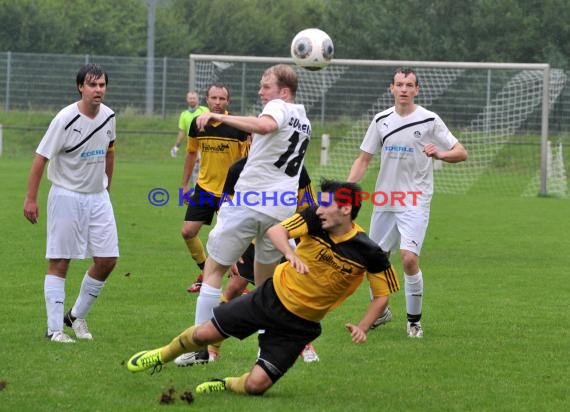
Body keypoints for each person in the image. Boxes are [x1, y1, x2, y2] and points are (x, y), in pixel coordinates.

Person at [127, 180, 400, 397]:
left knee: (255, 386)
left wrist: (363, 327)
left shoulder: (370, 252)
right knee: (205, 333)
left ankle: (226, 384)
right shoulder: (313, 220)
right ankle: (161, 355)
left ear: (346, 209)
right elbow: (276, 231)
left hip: (300, 326)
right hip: (271, 298)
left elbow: (381, 296)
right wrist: (289, 254)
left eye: (325, 205)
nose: (318, 209)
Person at [189, 64, 311, 358]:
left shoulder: (278, 107)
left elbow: (266, 126)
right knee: (266, 286)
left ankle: (200, 349)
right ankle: (265, 354)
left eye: (265, 86)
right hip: (281, 210)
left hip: (251, 201)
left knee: (214, 270)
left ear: (283, 91)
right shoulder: (304, 119)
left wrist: (216, 114)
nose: (260, 91)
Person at [347, 67, 468, 338]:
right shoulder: (381, 120)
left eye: (409, 85)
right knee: (374, 259)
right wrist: (345, 189)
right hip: (385, 199)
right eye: (399, 84)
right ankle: (382, 310)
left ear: (417, 90)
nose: (404, 89)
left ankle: (414, 323)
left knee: (409, 259)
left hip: (415, 198)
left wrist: (440, 154)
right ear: (391, 88)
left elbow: (461, 152)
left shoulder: (429, 120)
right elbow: (364, 159)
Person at [174, 156, 320, 366]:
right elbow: (227, 210)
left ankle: (301, 344)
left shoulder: (296, 168)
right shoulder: (238, 168)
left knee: (288, 292)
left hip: (284, 238)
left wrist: (305, 243)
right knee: (234, 288)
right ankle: (208, 348)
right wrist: (230, 250)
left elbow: (307, 209)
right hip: (249, 240)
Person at [23, 63, 119, 343]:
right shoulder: (64, 118)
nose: (98, 90)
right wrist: (31, 198)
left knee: (107, 260)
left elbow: (110, 152)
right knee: (60, 261)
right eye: (92, 85)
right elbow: (41, 158)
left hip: (98, 198)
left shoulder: (110, 116)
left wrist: (106, 188)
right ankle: (54, 330)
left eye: (102, 85)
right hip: (66, 195)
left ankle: (75, 316)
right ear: (81, 87)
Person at [179, 83, 249, 293]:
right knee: (188, 232)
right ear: (207, 100)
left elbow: (248, 160)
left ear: (228, 102)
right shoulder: (197, 124)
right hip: (204, 189)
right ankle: (205, 273)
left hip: (230, 192)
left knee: (231, 240)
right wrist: (184, 185)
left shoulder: (238, 126)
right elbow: (191, 153)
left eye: (222, 99)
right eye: (214, 98)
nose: (217, 102)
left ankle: (239, 285)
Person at [170, 91, 208, 158]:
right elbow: (182, 132)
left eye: (194, 98)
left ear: (197, 99)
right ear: (187, 99)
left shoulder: (205, 110)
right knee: (190, 167)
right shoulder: (183, 115)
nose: (192, 100)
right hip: (191, 146)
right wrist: (176, 146)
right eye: (190, 98)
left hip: (204, 146)